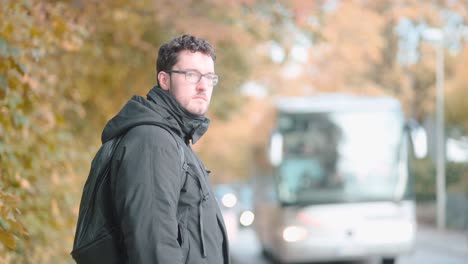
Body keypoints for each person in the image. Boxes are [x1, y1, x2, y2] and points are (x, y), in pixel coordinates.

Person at [102, 34, 229, 263]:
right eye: (191, 75)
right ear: (164, 79)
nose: (203, 86)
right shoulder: (152, 142)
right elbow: (153, 246)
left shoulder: (175, 139)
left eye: (209, 77)